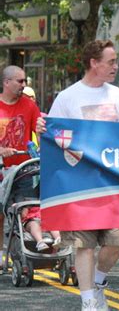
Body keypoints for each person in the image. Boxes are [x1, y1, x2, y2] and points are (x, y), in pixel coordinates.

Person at [36, 39, 119, 310]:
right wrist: (41, 128)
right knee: (84, 245)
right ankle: (88, 300)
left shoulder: (116, 94)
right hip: (80, 183)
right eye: (111, 61)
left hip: (112, 182)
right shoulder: (68, 97)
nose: (116, 66)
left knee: (117, 243)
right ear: (94, 63)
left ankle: (99, 281)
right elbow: (51, 135)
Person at [0, 65, 41, 271]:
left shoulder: (29, 105)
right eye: (20, 81)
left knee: (25, 209)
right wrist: (1, 149)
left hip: (23, 168)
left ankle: (26, 246)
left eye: (25, 81)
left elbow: (39, 131)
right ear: (7, 83)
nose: (24, 85)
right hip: (1, 167)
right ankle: (1, 254)